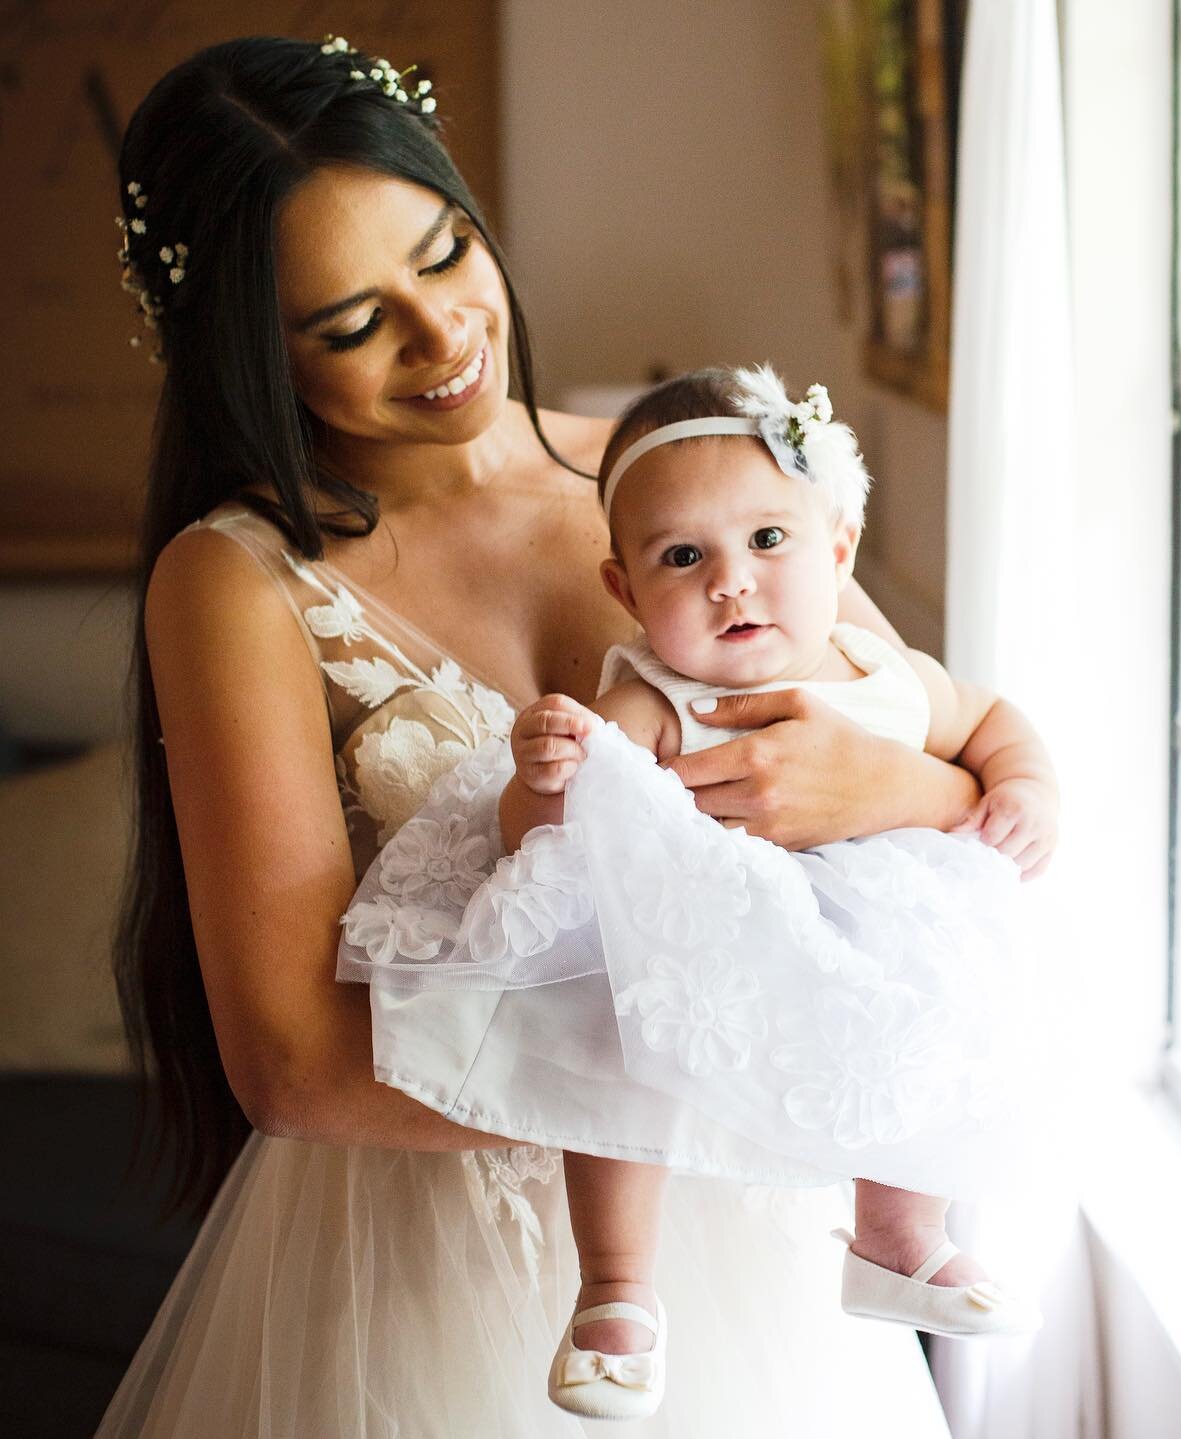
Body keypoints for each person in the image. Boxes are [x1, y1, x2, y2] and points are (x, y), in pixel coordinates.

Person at [99, 33, 999, 1437]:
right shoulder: (239, 581)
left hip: (761, 1240)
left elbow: (935, 748)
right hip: (443, 1268)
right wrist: (710, 1057)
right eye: (350, 323)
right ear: (246, 350)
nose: (445, 333)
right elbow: (289, 1060)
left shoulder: (690, 469)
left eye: (447, 251)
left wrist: (912, 789)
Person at [337, 364, 1057, 1420]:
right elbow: (550, 838)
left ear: (839, 548)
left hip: (862, 958)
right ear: (625, 590)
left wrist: (1028, 784)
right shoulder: (655, 698)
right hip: (703, 955)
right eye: (685, 556)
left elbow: (990, 720)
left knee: (925, 1039)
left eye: (769, 541)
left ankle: (900, 1237)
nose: (732, 580)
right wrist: (544, 781)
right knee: (615, 1054)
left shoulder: (885, 673)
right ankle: (618, 1286)